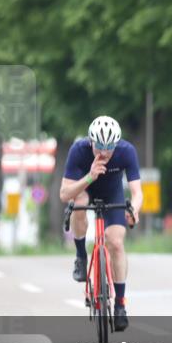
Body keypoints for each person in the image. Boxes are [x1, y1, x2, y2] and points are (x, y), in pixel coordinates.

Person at [59, 116, 142, 331]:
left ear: (117, 143)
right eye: (99, 147)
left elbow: (137, 192)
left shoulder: (126, 151)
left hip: (112, 195)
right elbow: (64, 193)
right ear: (90, 141)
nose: (104, 153)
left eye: (109, 147)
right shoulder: (78, 151)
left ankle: (120, 305)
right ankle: (80, 256)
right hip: (84, 189)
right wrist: (89, 177)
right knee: (79, 202)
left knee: (115, 242)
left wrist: (134, 209)